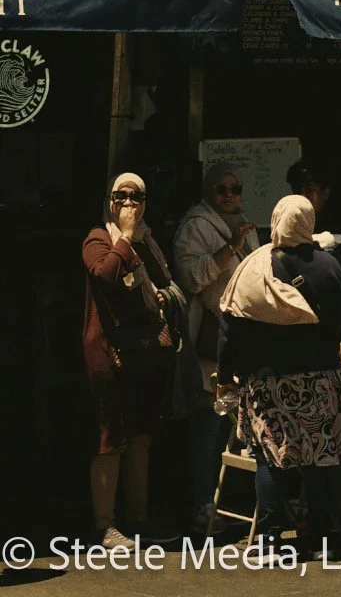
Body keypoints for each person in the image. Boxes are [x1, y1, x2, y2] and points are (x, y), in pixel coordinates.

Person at [217, 195, 341, 552]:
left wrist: (225, 377)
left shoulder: (253, 268)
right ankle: (318, 533)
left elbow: (230, 328)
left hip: (267, 383)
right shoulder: (330, 266)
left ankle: (269, 538)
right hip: (320, 378)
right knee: (320, 457)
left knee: (271, 458)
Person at [82, 172, 180, 544]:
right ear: (109, 201)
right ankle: (105, 524)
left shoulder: (148, 241)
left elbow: (167, 281)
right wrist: (123, 237)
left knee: (141, 434)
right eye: (121, 196)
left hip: (145, 350)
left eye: (136, 197)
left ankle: (138, 519)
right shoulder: (98, 238)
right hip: (109, 351)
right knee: (112, 436)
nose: (128, 204)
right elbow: (105, 274)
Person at [173, 160, 260, 534]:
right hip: (210, 338)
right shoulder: (196, 225)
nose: (229, 196)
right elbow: (190, 277)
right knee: (208, 424)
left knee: (241, 425)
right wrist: (231, 248)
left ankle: (237, 501)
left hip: (243, 337)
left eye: (235, 188)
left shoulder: (246, 222)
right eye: (222, 189)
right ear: (209, 191)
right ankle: (203, 504)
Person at [287, 160, 341, 328]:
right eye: (297, 191)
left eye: (310, 190)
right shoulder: (287, 237)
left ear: (325, 194)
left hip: (340, 331)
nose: (302, 197)